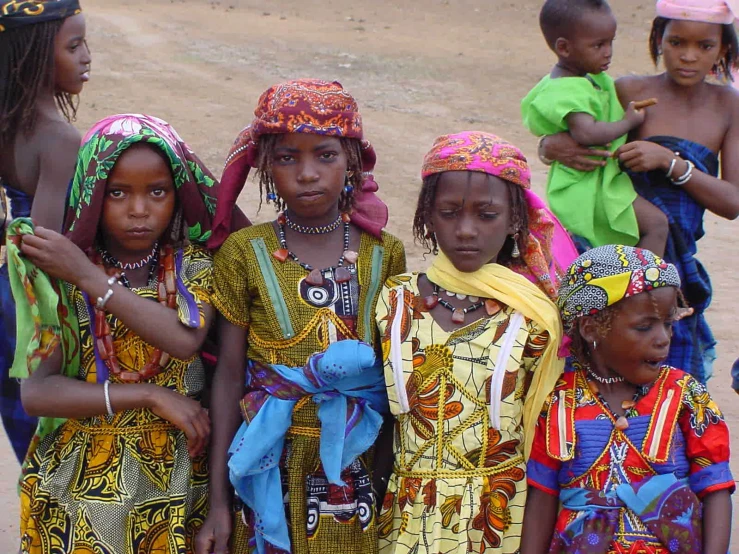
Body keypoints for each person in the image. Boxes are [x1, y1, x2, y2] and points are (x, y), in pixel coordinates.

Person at [196, 79, 406, 554]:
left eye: (325, 155)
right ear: (265, 166)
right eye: (288, 157)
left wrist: (387, 472)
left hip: (355, 464)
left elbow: (390, 375)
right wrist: (219, 503)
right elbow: (228, 377)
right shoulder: (245, 253)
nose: (307, 173)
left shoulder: (384, 254)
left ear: (352, 160)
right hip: (268, 459)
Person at [12, 114, 220, 553]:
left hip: (179, 489)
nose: (139, 210)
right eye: (117, 192)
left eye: (157, 192)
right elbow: (37, 393)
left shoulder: (194, 267)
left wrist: (91, 278)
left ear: (178, 194)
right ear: (91, 196)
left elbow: (184, 339)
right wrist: (149, 395)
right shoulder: (61, 276)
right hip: (79, 493)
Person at [375, 131, 575, 554]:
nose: (466, 230)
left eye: (486, 215)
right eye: (449, 212)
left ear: (515, 220)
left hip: (504, 520)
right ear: (427, 215)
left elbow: (546, 440)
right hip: (405, 520)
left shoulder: (534, 315)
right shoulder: (394, 301)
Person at [538, 0, 739, 383]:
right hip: (608, 255)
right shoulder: (629, 91)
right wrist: (549, 146)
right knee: (593, 373)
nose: (688, 56)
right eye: (677, 42)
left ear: (724, 48)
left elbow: (732, 202)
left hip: (672, 264)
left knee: (668, 383)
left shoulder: (728, 105)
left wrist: (669, 163)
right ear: (658, 39)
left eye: (705, 46)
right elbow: (583, 134)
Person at [520, 244, 734, 554]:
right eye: (644, 327)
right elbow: (542, 496)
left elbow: (715, 487)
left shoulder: (685, 396)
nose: (663, 338)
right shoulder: (558, 401)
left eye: (668, 324)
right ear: (592, 328)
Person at [0, 0, 92, 464]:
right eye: (73, 46)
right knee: (54, 436)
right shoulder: (60, 138)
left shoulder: (8, 121)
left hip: (4, 291)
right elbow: (46, 245)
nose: (86, 57)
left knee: (17, 413)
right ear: (34, 57)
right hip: (37, 308)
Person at [521, 0, 668, 255]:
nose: (608, 52)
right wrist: (628, 122)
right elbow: (586, 133)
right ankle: (644, 285)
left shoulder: (584, 80)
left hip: (590, 182)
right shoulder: (568, 89)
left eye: (611, 42)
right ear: (564, 48)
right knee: (656, 224)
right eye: (598, 45)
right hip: (586, 187)